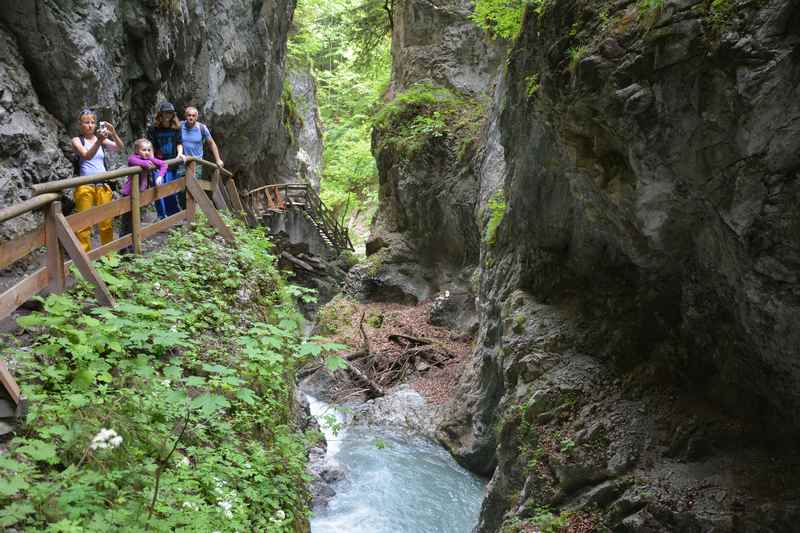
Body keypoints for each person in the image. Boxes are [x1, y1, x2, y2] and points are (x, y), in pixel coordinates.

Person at [71, 108, 124, 252]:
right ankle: (85, 256)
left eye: (93, 122)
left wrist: (113, 133)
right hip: (84, 185)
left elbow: (120, 147)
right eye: (86, 122)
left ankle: (109, 255)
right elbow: (86, 155)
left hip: (102, 184)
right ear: (80, 124)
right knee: (83, 223)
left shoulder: (101, 139)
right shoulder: (77, 140)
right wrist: (99, 141)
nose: (90, 125)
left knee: (106, 221)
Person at [120, 139, 168, 249]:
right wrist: (149, 162)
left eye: (148, 150)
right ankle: (123, 248)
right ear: (137, 150)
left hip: (140, 194)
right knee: (127, 222)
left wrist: (160, 175)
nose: (146, 152)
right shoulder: (133, 158)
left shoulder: (149, 158)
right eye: (143, 150)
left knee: (136, 219)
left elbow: (164, 164)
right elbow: (138, 163)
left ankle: (133, 245)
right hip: (129, 194)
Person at [147, 102, 184, 218]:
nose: (168, 115)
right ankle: (161, 216)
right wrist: (152, 159)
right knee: (158, 188)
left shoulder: (176, 128)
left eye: (170, 113)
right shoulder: (153, 129)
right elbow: (151, 145)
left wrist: (180, 154)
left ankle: (173, 215)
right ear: (161, 114)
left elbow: (179, 143)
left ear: (173, 114)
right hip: (158, 163)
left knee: (170, 188)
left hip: (172, 164)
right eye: (165, 113)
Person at [180, 106, 224, 180]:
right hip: (182, 162)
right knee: (181, 185)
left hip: (197, 163)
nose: (191, 117)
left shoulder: (201, 128)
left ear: (196, 117)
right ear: (185, 116)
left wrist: (218, 159)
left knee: (194, 186)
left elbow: (211, 143)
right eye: (189, 115)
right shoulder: (180, 126)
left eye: (193, 116)